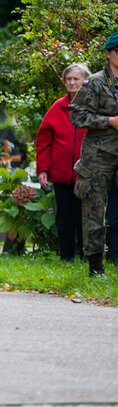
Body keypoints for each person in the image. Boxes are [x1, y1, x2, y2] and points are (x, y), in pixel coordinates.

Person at [69, 32, 118, 276]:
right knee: (94, 210)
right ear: (108, 54)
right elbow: (77, 115)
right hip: (99, 156)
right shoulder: (95, 82)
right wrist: (109, 121)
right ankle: (96, 266)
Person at [36, 64, 90, 261]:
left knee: (86, 218)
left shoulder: (94, 106)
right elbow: (43, 140)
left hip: (88, 174)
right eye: (69, 79)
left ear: (85, 81)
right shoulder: (57, 107)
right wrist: (43, 168)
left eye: (76, 79)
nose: (72, 82)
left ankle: (87, 257)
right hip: (62, 175)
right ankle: (66, 257)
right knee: (64, 218)